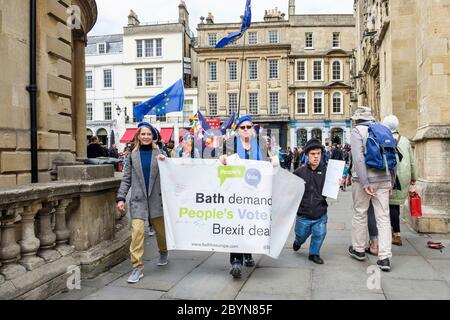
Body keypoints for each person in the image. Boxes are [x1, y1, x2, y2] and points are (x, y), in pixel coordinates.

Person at [116, 122, 168, 284]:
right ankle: (137, 267)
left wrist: (165, 162)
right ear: (138, 136)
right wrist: (121, 198)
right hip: (138, 200)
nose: (146, 137)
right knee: (137, 232)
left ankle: (163, 251)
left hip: (157, 199)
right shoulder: (132, 156)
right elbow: (126, 179)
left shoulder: (160, 153)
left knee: (161, 232)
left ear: (153, 137)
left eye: (149, 134)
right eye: (143, 134)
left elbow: (171, 175)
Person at [348, 106, 397, 272]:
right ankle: (384, 258)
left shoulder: (357, 131)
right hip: (385, 178)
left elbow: (358, 159)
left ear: (357, 118)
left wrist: (364, 182)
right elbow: (393, 157)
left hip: (365, 179)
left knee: (360, 212)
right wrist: (392, 181)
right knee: (383, 218)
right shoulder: (383, 129)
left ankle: (359, 249)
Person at [219, 115, 268, 279]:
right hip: (235, 193)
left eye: (249, 127)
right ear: (237, 130)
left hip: (254, 193)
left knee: (249, 226)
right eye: (243, 127)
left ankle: (248, 253)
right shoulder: (230, 144)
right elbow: (220, 162)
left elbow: (266, 166)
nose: (246, 130)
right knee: (236, 227)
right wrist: (222, 159)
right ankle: (236, 262)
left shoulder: (260, 144)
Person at [366, 114, 417, 250]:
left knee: (388, 206)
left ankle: (395, 234)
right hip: (405, 176)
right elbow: (412, 161)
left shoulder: (383, 137)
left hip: (390, 175)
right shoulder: (405, 140)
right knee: (396, 206)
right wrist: (414, 177)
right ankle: (395, 231)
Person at [292, 139, 343, 264]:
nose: (316, 157)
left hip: (319, 212)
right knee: (301, 235)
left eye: (318, 154)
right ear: (307, 155)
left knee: (320, 234)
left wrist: (338, 184)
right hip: (303, 214)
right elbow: (289, 187)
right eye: (312, 154)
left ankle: (314, 254)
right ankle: (298, 242)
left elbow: (330, 189)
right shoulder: (299, 172)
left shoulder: (328, 172)